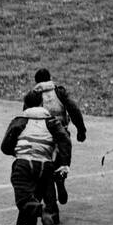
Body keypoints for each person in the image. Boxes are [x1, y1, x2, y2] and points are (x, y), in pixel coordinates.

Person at [1, 89, 71, 225]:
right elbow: (65, 140)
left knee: (24, 201)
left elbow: (5, 146)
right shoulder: (51, 121)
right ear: (41, 104)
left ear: (25, 106)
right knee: (31, 204)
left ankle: (43, 211)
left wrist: (17, 151)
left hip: (24, 165)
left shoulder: (20, 120)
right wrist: (64, 163)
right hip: (45, 166)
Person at [26, 68, 86, 206]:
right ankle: (61, 180)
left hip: (41, 135)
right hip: (61, 133)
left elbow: (26, 116)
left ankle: (50, 203)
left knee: (43, 167)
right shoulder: (59, 92)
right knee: (62, 160)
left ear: (36, 82)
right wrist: (81, 129)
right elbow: (74, 109)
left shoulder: (33, 95)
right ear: (50, 78)